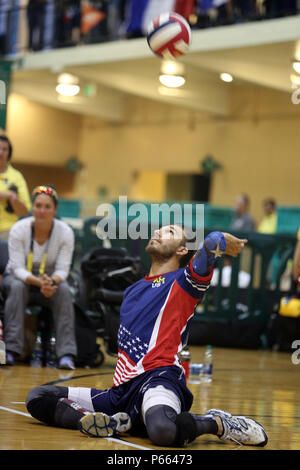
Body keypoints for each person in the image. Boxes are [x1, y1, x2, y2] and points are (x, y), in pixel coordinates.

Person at [26, 225, 268, 447]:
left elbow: (213, 241)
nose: (159, 233)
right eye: (158, 230)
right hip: (120, 392)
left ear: (182, 249)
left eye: (169, 232)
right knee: (37, 397)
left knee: (163, 431)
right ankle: (99, 422)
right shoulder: (131, 291)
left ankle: (219, 423)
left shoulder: (185, 282)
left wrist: (224, 240)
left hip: (159, 379)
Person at [2, 185, 77, 369]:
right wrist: (39, 282)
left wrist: (51, 282)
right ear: (32, 207)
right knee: (17, 287)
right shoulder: (19, 229)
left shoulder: (65, 232)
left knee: (65, 290)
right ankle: (11, 350)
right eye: (38, 205)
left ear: (55, 209)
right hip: (21, 280)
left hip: (51, 282)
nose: (42, 211)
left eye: (47, 206)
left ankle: (66, 354)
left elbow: (63, 269)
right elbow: (18, 269)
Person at [0, 135, 31, 239]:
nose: (1, 152)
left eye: (4, 149)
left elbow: (24, 211)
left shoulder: (17, 177)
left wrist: (13, 198)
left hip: (7, 230)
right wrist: (7, 193)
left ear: (9, 153)